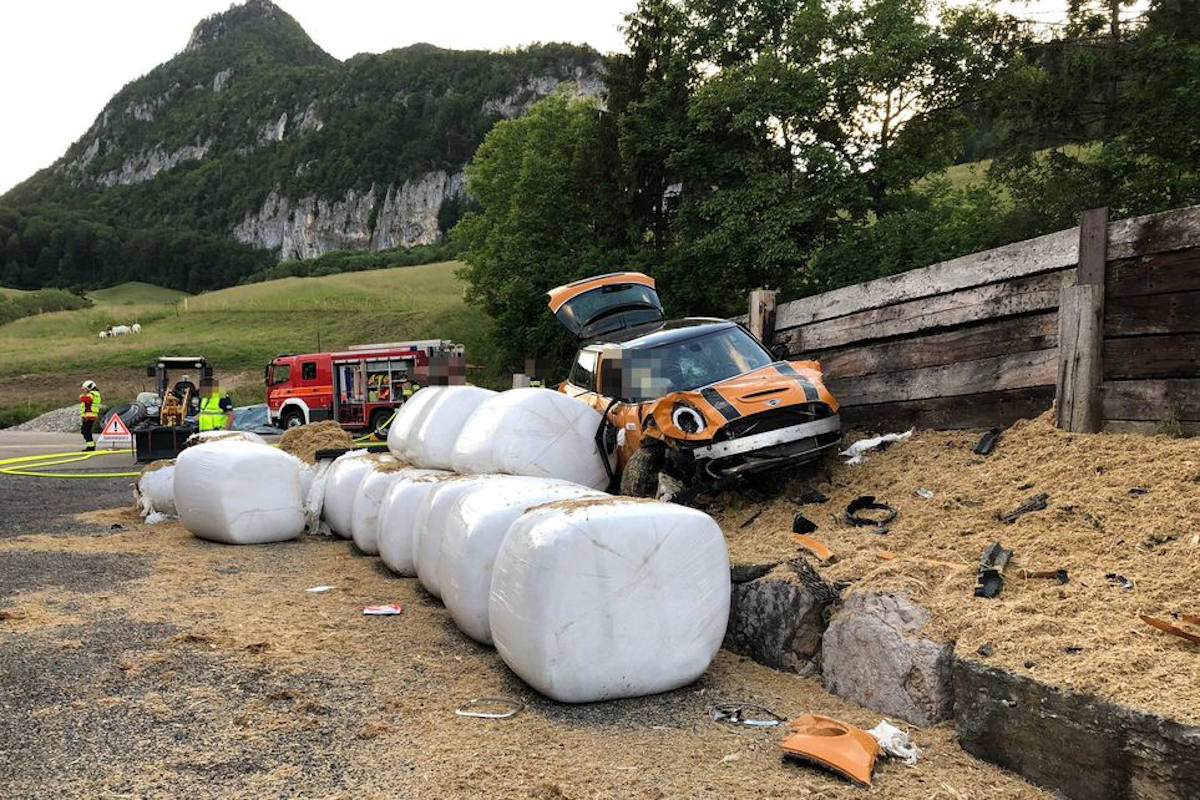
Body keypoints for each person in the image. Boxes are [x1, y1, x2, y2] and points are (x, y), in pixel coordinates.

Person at [78, 380, 102, 451]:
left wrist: (81, 396)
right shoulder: (94, 394)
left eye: (85, 389)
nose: (83, 391)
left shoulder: (92, 394)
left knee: (85, 431)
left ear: (89, 388)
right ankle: (90, 445)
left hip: (89, 416)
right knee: (86, 431)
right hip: (89, 415)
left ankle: (91, 446)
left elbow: (85, 399)